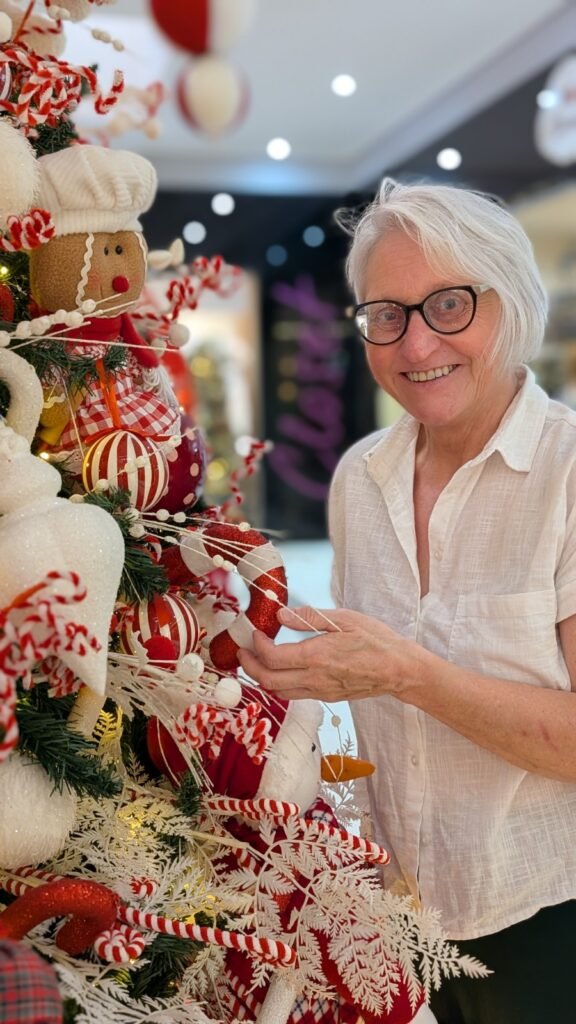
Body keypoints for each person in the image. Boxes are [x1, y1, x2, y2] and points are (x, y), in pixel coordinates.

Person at [237, 177, 576, 1024]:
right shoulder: (361, 477)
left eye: (449, 304)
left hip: (545, 911)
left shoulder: (568, 475)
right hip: (399, 911)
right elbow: (382, 714)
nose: (415, 342)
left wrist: (404, 672)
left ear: (513, 303)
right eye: (384, 314)